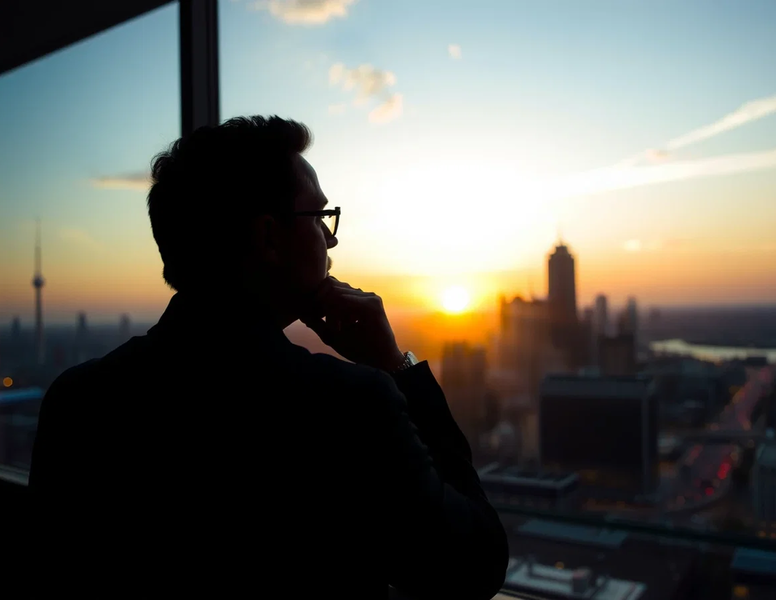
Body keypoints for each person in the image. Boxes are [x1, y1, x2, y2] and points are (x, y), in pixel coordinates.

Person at [29, 116, 509, 598]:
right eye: (319, 218)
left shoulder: (78, 399)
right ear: (268, 238)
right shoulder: (346, 406)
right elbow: (475, 567)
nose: (332, 238)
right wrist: (396, 369)